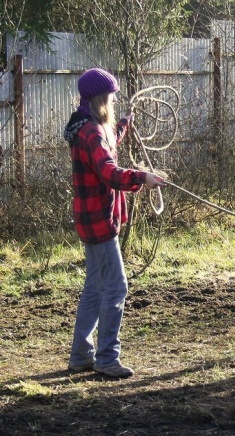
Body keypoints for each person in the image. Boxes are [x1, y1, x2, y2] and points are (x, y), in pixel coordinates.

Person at [63, 67, 165, 378]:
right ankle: (107, 358)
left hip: (91, 217)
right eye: (111, 97)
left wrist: (123, 126)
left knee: (95, 287)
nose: (113, 101)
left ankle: (81, 355)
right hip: (98, 220)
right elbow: (108, 170)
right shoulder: (91, 132)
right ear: (100, 99)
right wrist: (142, 177)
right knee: (116, 287)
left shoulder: (90, 126)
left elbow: (107, 145)